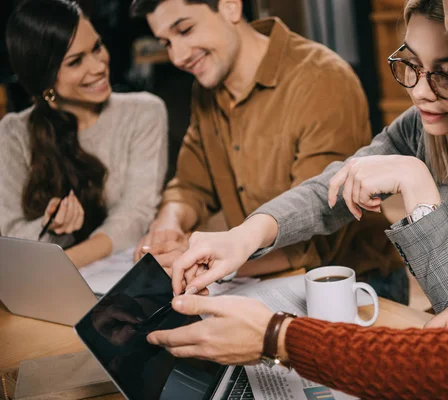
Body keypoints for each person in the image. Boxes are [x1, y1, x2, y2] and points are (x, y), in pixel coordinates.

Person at [147, 0, 448, 398]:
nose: (422, 90)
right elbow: (334, 186)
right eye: (411, 64)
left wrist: (419, 189)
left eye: (446, 69)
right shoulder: (426, 122)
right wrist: (244, 236)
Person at [128, 0, 406, 301]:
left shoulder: (321, 78)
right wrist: (168, 226)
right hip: (262, 278)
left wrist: (204, 257)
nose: (178, 56)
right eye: (166, 43)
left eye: (185, 29)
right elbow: (190, 186)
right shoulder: (208, 85)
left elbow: (315, 231)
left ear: (231, 7)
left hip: (353, 283)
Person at [0, 0, 168, 267]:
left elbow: (136, 214)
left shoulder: (144, 112)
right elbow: (10, 238)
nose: (99, 66)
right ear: (46, 82)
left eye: (97, 47)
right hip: (45, 286)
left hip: (109, 276)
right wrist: (51, 228)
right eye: (76, 61)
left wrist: (63, 265)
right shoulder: (13, 133)